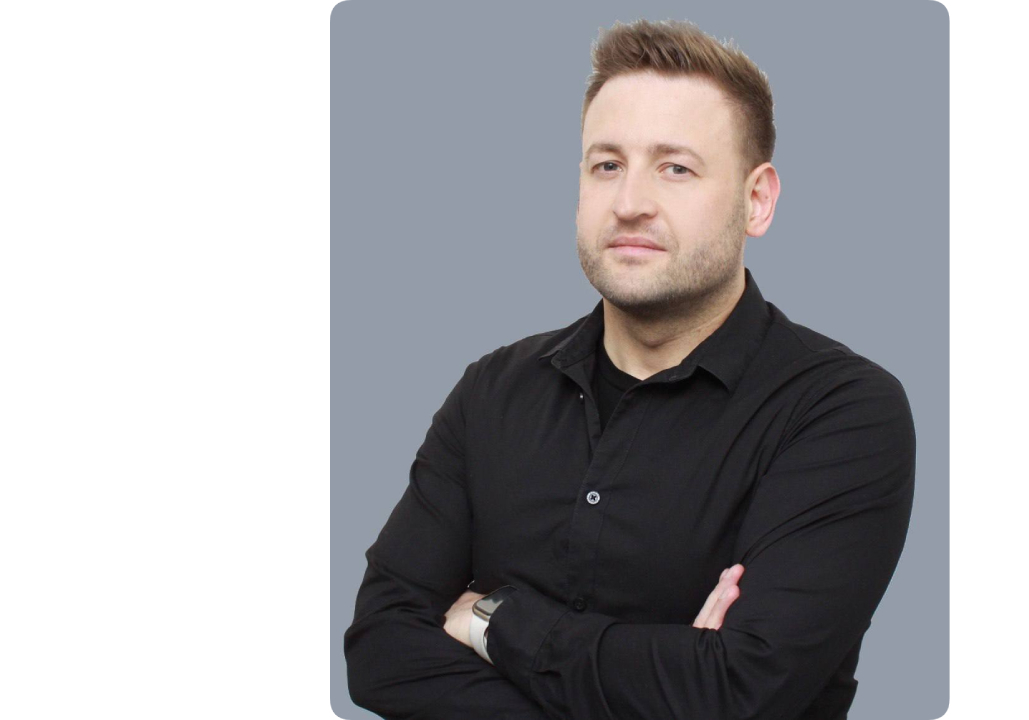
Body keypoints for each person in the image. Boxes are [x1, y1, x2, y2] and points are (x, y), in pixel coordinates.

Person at [344, 18, 916, 720]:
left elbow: (740, 692)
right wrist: (672, 676)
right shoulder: (492, 391)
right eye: (607, 165)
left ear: (757, 200)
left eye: (676, 168)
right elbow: (379, 649)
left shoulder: (841, 411)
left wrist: (493, 622)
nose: (629, 203)